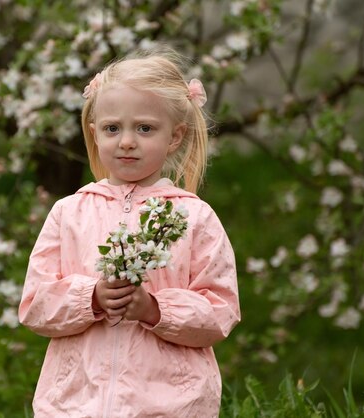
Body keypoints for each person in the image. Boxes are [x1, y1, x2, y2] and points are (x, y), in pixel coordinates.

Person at [18, 49, 241, 417]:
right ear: (94, 132)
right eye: (112, 128)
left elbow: (220, 310)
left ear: (175, 136)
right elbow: (35, 305)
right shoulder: (69, 212)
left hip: (170, 404)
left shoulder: (193, 217)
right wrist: (91, 298)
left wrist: (154, 309)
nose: (126, 141)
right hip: (76, 402)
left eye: (145, 128)